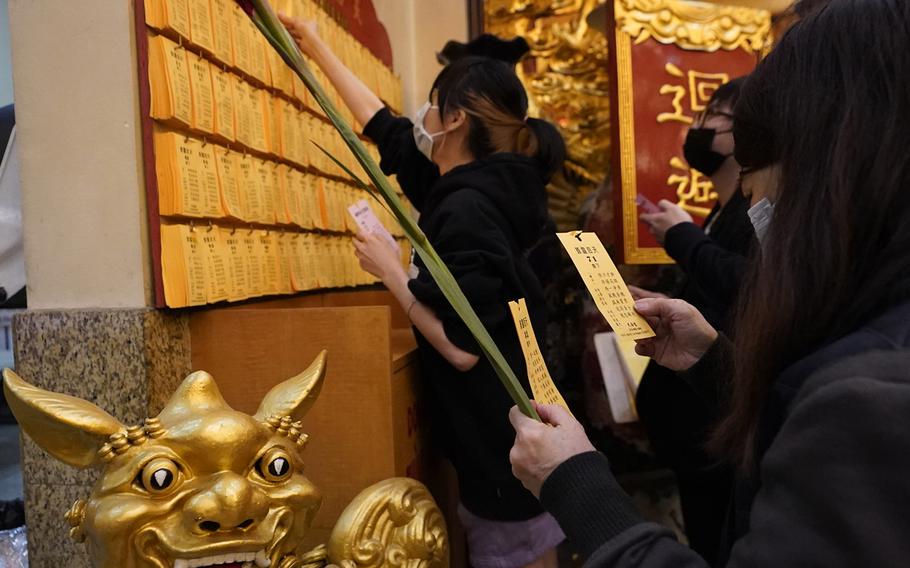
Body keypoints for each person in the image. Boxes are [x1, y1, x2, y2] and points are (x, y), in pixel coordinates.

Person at [509, 0, 910, 565]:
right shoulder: (872, 326)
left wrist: (576, 483)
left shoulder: (872, 403)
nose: (754, 200)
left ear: (836, 160)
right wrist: (713, 360)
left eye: (759, 177)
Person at [279, 15, 567, 568]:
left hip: (500, 446)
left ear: (455, 118)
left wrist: (392, 271)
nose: (422, 116)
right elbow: (383, 126)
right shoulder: (481, 188)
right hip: (520, 434)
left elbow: (462, 347)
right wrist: (314, 44)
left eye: (432, 105)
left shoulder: (464, 207)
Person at [631, 79, 754, 563]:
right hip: (697, 431)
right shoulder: (719, 213)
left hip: (717, 431)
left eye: (711, 119)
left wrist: (681, 236)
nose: (696, 129)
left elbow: (744, 286)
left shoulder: (754, 215)